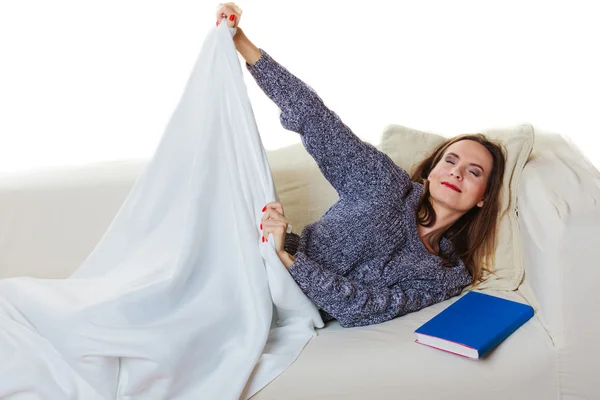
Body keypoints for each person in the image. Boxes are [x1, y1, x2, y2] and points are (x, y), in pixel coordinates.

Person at [216, 3, 507, 328]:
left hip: (291, 303)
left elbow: (368, 307)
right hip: (255, 271)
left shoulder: (448, 275)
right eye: (450, 160)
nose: (456, 171)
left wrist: (291, 262)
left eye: (474, 171)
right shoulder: (384, 183)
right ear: (432, 170)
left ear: (484, 195)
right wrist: (241, 41)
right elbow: (315, 120)